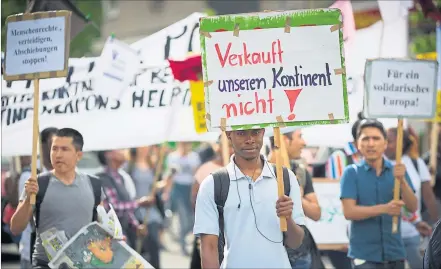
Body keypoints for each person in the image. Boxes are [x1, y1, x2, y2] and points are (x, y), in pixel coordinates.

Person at [194, 128, 306, 268]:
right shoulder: (213, 184)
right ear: (229, 135)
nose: (250, 139)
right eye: (241, 133)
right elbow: (209, 247)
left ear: (263, 132)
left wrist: (288, 218)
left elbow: (296, 242)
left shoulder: (285, 178)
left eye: (255, 132)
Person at [10, 128, 104, 269]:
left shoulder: (94, 185)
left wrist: (113, 238)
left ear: (78, 155)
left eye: (65, 149)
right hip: (46, 264)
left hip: (84, 264)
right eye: (54, 149)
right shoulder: (37, 184)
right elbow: (16, 228)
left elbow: (102, 227)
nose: (58, 155)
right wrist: (29, 198)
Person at [340, 119, 418, 269]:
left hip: (395, 254)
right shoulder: (351, 173)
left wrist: (402, 181)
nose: (371, 144)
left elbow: (412, 207)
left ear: (385, 143)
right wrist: (385, 208)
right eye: (365, 139)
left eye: (375, 138)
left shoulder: (398, 171)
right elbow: (349, 212)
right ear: (357, 144)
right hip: (364, 257)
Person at [385, 127, 438, 269]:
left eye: (389, 141)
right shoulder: (378, 165)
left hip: (412, 233)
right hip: (386, 237)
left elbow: (428, 197)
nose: (384, 144)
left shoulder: (416, 163)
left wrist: (436, 226)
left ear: (401, 143)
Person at [268, 129, 322, 269]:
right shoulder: (258, 173)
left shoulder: (300, 172)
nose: (304, 143)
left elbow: (316, 214)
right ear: (284, 140)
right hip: (269, 252)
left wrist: (297, 197)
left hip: (299, 255)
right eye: (300, 137)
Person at [190, 137, 234, 269]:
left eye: (232, 145)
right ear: (218, 147)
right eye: (228, 145)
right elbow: (194, 198)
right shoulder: (206, 169)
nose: (230, 149)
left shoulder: (241, 170)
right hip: (212, 229)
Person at [97, 149, 152, 249]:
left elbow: (126, 209)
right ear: (108, 155)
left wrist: (136, 226)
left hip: (124, 231)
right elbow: (113, 207)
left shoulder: (120, 177)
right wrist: (138, 203)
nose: (124, 152)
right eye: (119, 150)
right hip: (112, 235)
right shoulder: (103, 179)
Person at [126, 146, 163, 269]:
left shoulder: (152, 165)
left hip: (150, 212)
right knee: (139, 249)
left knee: (153, 246)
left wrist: (166, 183)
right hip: (135, 211)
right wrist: (138, 202)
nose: (145, 148)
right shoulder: (129, 167)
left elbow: (154, 186)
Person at [162, 142, 201, 256]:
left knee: (192, 219)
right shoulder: (172, 157)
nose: (185, 146)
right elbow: (170, 175)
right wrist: (167, 191)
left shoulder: (194, 157)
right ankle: (183, 245)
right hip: (178, 189)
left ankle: (183, 235)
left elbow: (196, 175)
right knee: (183, 217)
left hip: (190, 189)